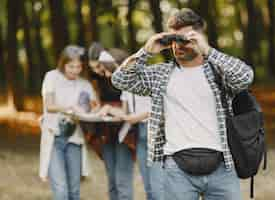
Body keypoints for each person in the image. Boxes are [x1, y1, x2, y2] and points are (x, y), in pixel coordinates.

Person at [111, 8, 254, 200]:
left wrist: (207, 50)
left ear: (199, 37)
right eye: (173, 40)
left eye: (184, 39)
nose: (178, 45)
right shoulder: (160, 74)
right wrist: (146, 51)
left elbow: (245, 76)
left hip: (222, 166)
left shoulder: (219, 72)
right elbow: (120, 80)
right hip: (177, 169)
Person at [39, 45, 98, 200]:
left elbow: (93, 108)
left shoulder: (84, 84)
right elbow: (49, 106)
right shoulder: (51, 77)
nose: (75, 70)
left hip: (75, 139)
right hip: (54, 137)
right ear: (62, 63)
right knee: (61, 191)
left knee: (74, 191)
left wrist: (90, 110)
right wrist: (70, 108)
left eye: (78, 66)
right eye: (71, 66)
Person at [87, 42, 134, 200]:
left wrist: (110, 109)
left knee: (122, 180)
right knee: (112, 179)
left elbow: (129, 108)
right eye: (94, 68)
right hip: (106, 131)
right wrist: (97, 107)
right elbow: (98, 101)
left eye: (100, 67)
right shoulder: (98, 78)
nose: (99, 72)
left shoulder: (126, 78)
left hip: (125, 132)